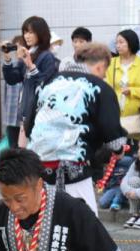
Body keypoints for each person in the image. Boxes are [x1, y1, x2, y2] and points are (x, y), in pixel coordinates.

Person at [23, 43, 127, 211]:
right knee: (86, 224)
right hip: (74, 167)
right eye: (105, 71)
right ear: (100, 66)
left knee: (47, 222)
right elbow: (113, 135)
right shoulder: (100, 88)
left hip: (39, 166)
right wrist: (118, 149)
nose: (104, 76)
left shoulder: (48, 82)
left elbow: (29, 126)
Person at [4, 16, 59, 147]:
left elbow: (45, 84)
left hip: (41, 113)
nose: (26, 36)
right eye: (25, 32)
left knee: (36, 151)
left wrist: (30, 65)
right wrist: (7, 59)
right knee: (24, 150)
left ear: (40, 33)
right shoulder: (28, 53)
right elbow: (12, 79)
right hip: (26, 111)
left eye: (30, 32)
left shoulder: (47, 57)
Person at [106, 29, 140, 135]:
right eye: (116, 43)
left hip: (136, 116)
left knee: (135, 147)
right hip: (115, 116)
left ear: (131, 43)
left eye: (121, 42)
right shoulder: (112, 63)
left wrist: (132, 91)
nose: (117, 46)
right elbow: (106, 88)